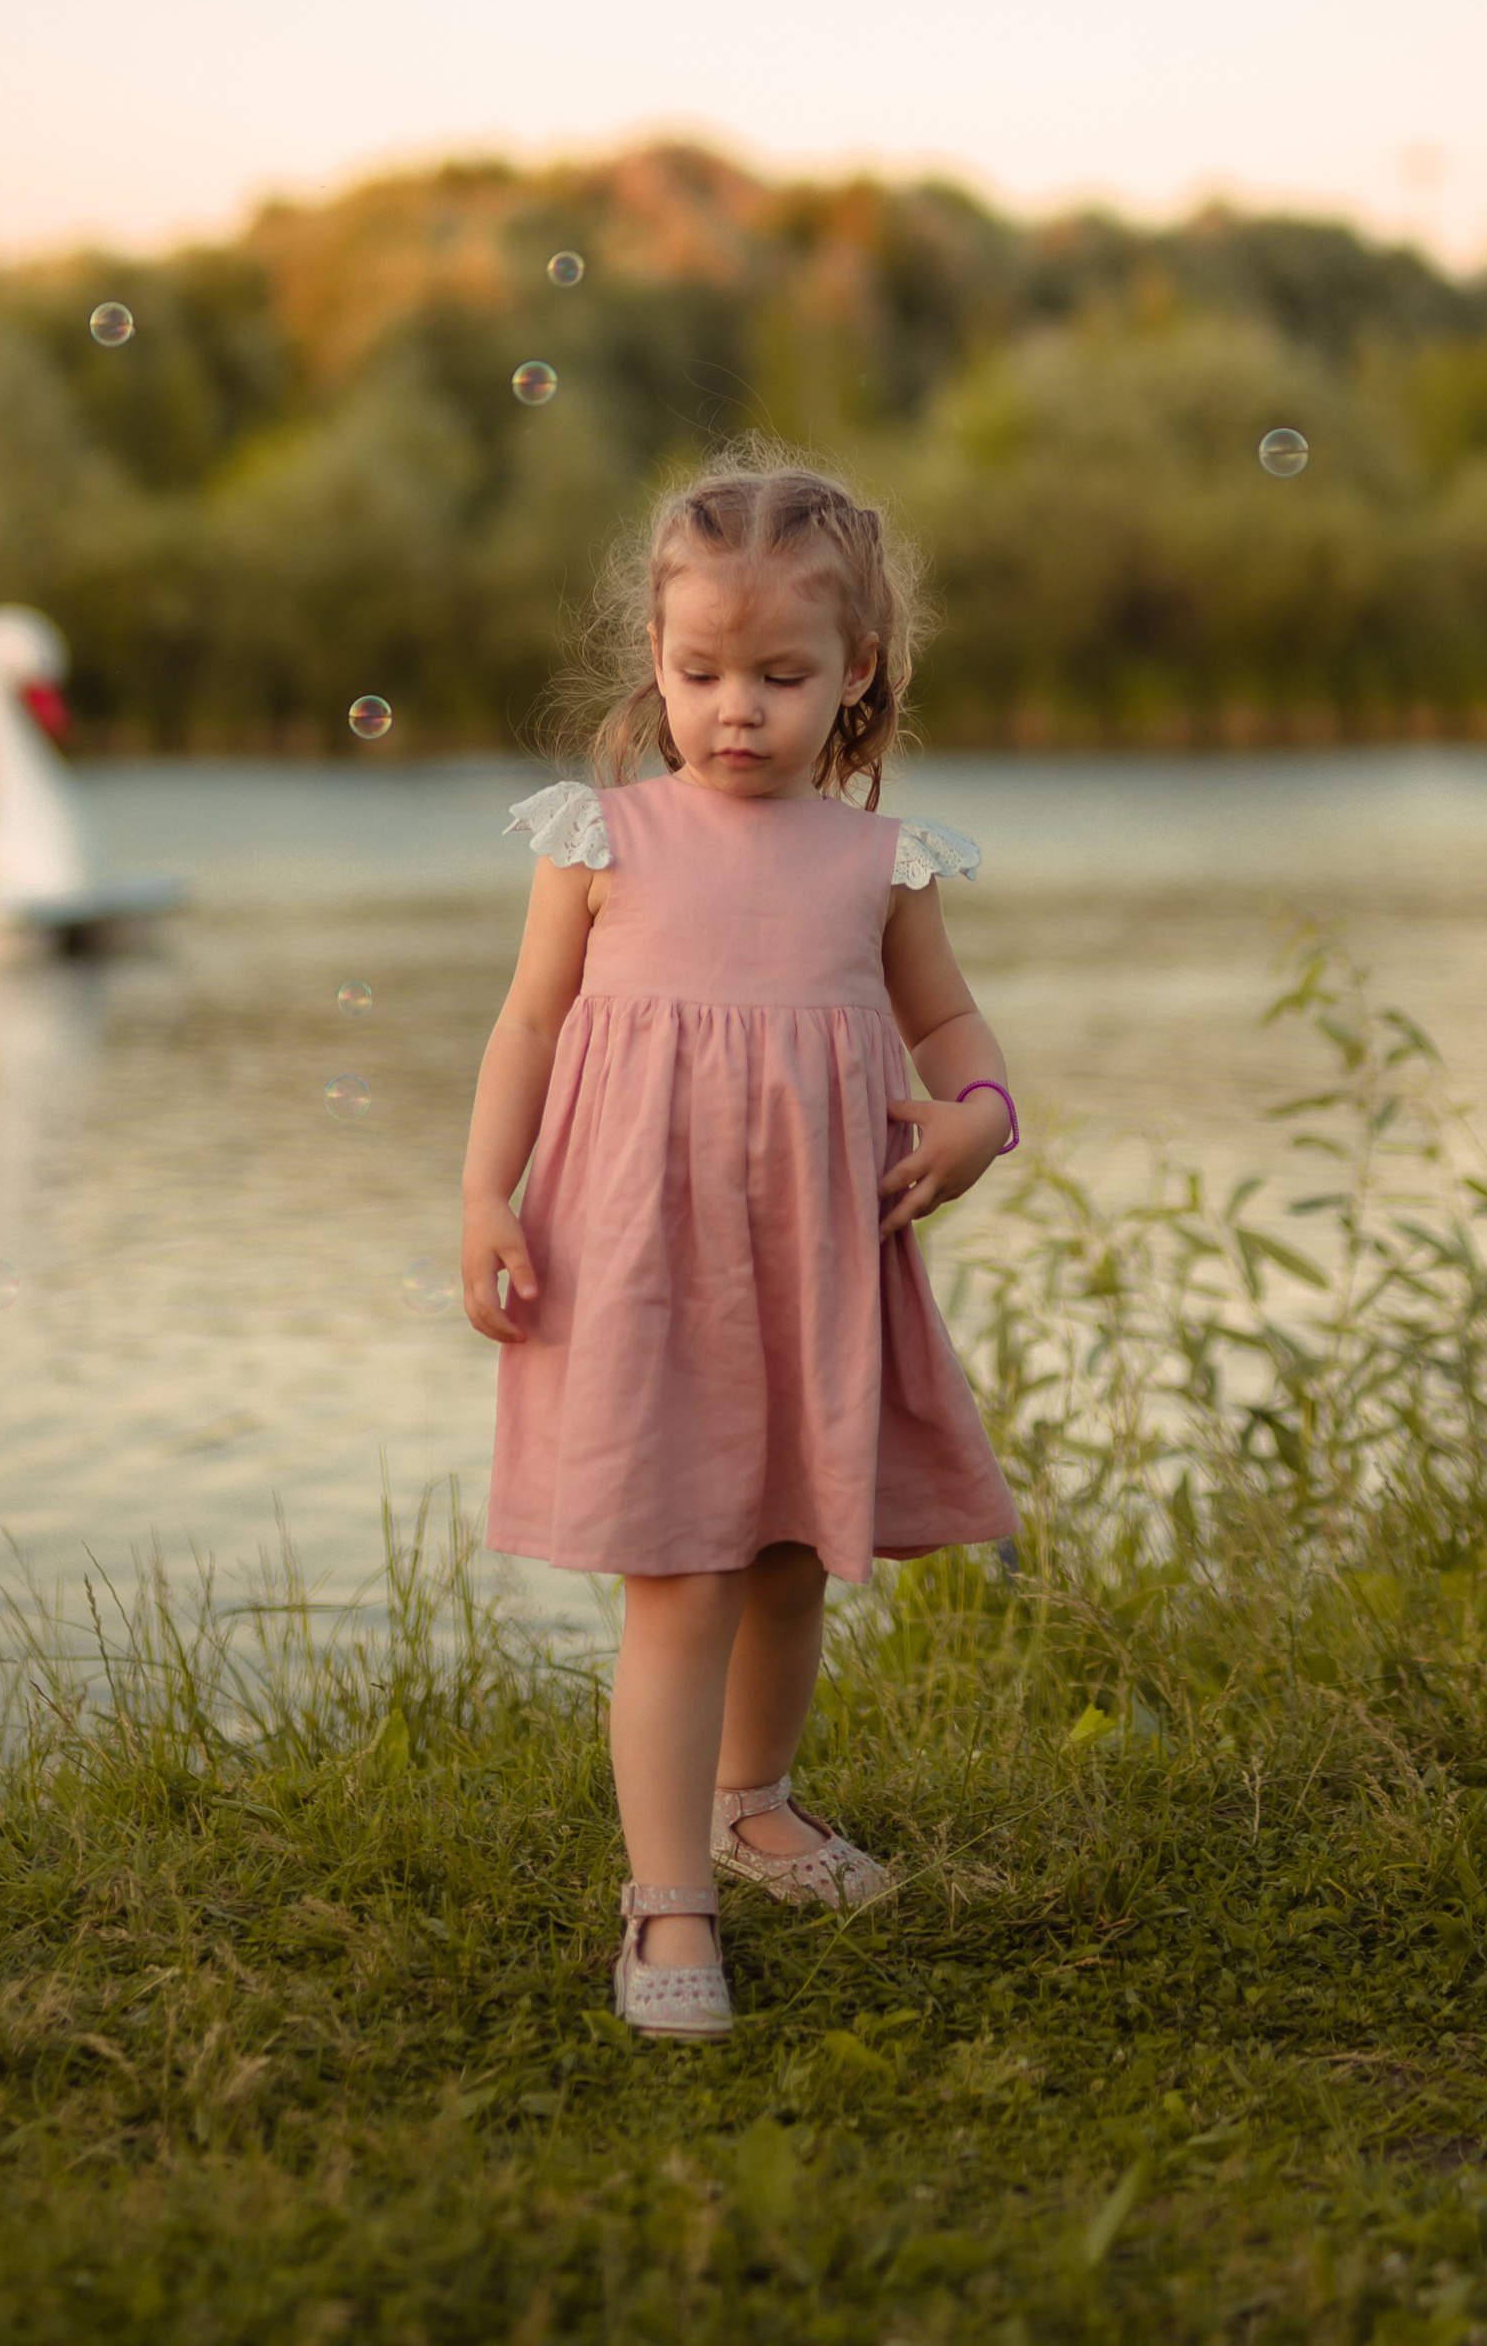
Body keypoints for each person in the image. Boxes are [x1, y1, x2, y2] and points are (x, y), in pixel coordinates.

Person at [459, 455, 1020, 2044]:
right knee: (686, 1574)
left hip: (813, 1261)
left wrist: (982, 1113)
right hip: (642, 1255)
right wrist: (486, 1195)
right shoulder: (600, 840)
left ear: (858, 677)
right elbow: (525, 1023)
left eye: (782, 677)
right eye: (702, 673)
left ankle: (753, 1808)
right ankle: (666, 1901)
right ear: (653, 656)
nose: (737, 710)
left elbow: (952, 1025)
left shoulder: (877, 863)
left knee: (784, 1563)